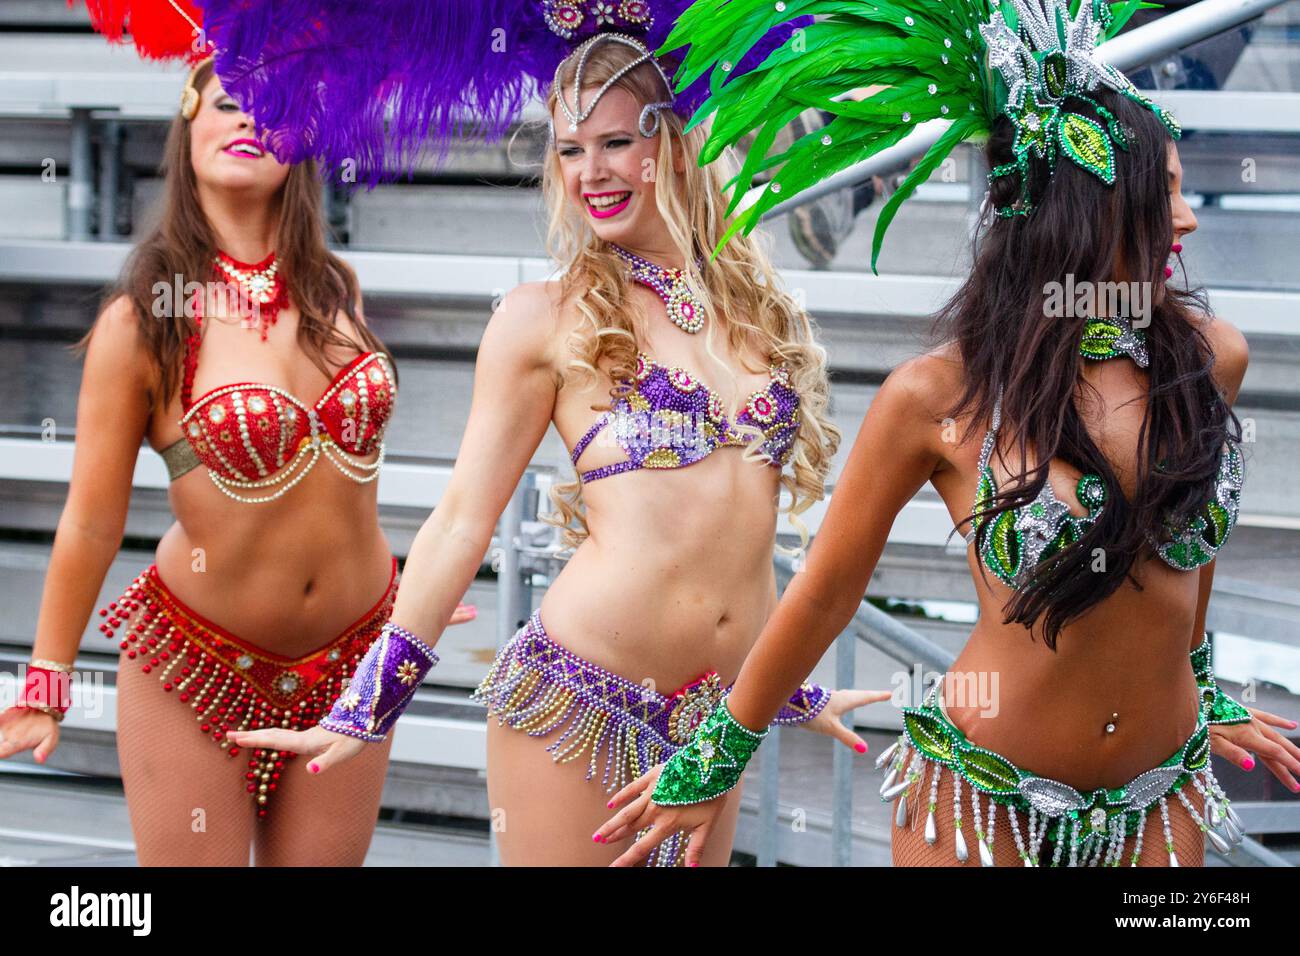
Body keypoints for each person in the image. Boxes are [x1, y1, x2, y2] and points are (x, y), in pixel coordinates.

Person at [596, 0, 1300, 866]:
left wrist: (1201, 686)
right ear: (1079, 217)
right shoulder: (936, 396)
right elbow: (823, 592)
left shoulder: (1210, 357)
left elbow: (1186, 549)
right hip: (980, 802)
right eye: (1166, 197)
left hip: (1159, 803)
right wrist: (720, 752)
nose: (1187, 222)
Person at [221, 8, 888, 866]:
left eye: (614, 143)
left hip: (715, 719)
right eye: (569, 149)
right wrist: (369, 702)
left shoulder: (756, 313)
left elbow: (734, 535)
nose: (590, 173)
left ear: (676, 143)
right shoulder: (542, 320)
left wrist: (781, 690)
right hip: (580, 704)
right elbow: (462, 518)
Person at [0, 54, 473, 866]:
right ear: (188, 129)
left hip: (358, 661)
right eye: (226, 103)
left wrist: (410, 593)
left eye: (274, 104)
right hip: (197, 666)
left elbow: (349, 485)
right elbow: (89, 519)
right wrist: (46, 678)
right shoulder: (145, 317)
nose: (249, 119)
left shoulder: (337, 288)